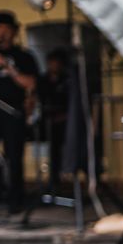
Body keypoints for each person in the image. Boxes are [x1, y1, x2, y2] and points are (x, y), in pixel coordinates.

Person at [0, 10, 38, 212]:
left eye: (6, 29)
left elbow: (31, 83)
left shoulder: (24, 56)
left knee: (14, 157)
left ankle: (15, 202)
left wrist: (10, 70)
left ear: (13, 31)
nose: (2, 32)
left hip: (13, 113)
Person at [35, 47, 72, 192]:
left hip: (65, 123)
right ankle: (53, 180)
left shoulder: (67, 80)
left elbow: (71, 106)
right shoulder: (43, 80)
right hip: (46, 121)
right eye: (51, 62)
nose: (53, 65)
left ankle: (65, 176)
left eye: (56, 62)